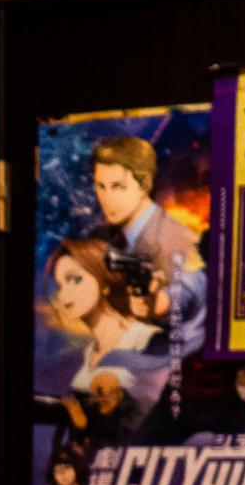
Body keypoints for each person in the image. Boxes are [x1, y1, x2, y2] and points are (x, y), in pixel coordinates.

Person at [92, 136, 208, 358]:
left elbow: (192, 284)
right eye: (101, 186)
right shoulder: (113, 236)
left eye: (118, 186)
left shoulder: (175, 236)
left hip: (177, 355)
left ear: (144, 185)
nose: (107, 198)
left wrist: (159, 305)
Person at [46, 237, 168, 411]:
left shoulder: (145, 338)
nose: (64, 294)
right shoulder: (90, 352)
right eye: (59, 285)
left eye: (75, 279)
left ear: (104, 282)